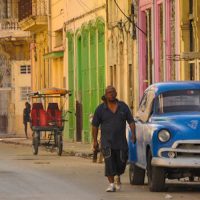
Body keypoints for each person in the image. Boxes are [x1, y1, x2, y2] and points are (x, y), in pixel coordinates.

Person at [92, 86, 136, 192]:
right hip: (106, 141)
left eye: (112, 92)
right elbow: (95, 126)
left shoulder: (123, 107)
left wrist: (133, 134)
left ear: (116, 93)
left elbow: (131, 121)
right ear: (106, 95)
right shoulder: (100, 109)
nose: (111, 94)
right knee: (109, 162)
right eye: (108, 92)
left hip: (121, 141)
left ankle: (117, 175)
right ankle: (111, 184)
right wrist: (94, 141)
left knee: (122, 162)